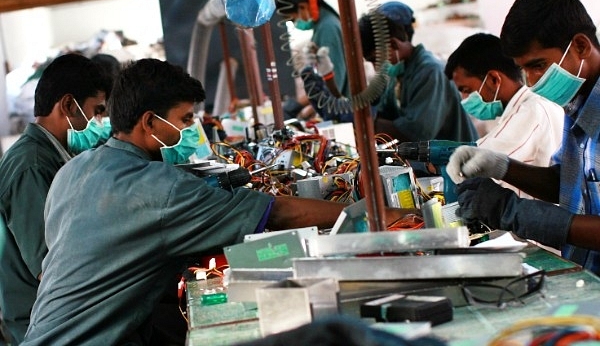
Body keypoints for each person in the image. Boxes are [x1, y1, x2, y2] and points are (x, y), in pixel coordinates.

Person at [22, 58, 413, 345]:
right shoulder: (162, 187)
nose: (191, 129)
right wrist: (384, 216)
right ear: (149, 123)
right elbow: (278, 212)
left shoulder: (72, 172)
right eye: (186, 119)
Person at [446, 0, 600, 274]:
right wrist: (503, 167)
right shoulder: (578, 101)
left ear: (580, 46)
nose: (531, 81)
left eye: (539, 65)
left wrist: (517, 213)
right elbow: (567, 184)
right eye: (524, 69)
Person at [0, 53, 112, 344]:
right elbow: (49, 268)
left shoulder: (56, 155)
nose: (100, 121)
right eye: (96, 111)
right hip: (42, 321)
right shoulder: (31, 166)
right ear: (68, 105)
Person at [444, 33, 564, 198]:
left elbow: (477, 160)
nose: (464, 100)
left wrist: (441, 160)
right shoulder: (523, 109)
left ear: (494, 79)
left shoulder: (531, 111)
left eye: (467, 90)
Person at [359, 1, 478, 142]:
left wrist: (366, 121)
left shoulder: (431, 72)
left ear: (393, 44)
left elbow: (416, 133)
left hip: (453, 158)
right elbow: (385, 111)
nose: (375, 66)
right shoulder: (396, 73)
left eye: (375, 59)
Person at [278, 0, 348, 119]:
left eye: (293, 19)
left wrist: (302, 105)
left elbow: (335, 81)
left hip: (345, 108)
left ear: (303, 7)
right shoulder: (321, 26)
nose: (295, 24)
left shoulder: (328, 27)